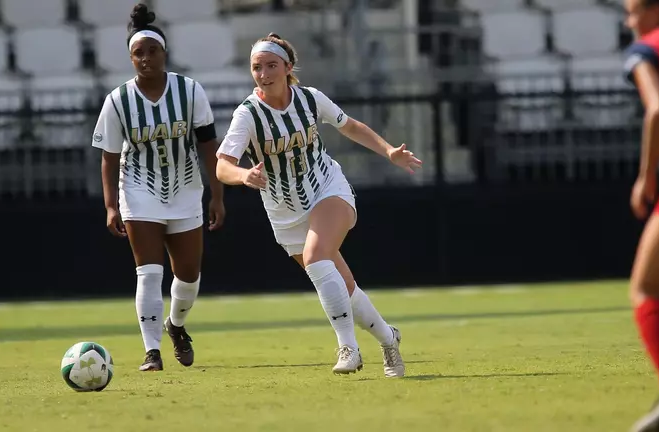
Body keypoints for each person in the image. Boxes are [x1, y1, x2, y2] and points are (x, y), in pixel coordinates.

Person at [215, 33, 422, 377]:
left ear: (288, 67)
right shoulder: (248, 115)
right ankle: (388, 339)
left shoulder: (310, 99)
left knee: (316, 257)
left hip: (327, 188)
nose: (264, 74)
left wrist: (388, 151)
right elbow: (223, 165)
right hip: (283, 210)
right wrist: (243, 176)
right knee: (343, 284)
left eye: (271, 65)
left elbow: (350, 126)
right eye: (257, 67)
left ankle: (349, 349)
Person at [92, 3, 225, 372]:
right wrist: (111, 205)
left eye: (153, 51)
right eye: (139, 53)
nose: (147, 58)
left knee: (188, 275)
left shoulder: (189, 91)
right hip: (138, 190)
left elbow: (208, 146)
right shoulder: (118, 101)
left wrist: (217, 195)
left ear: (165, 52)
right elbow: (109, 156)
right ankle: (152, 351)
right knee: (149, 274)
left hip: (185, 189)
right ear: (130, 59)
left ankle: (176, 325)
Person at [624, 0, 659, 430]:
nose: (628, 21)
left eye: (633, 11)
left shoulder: (648, 49)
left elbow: (657, 108)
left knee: (646, 288)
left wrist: (646, 176)